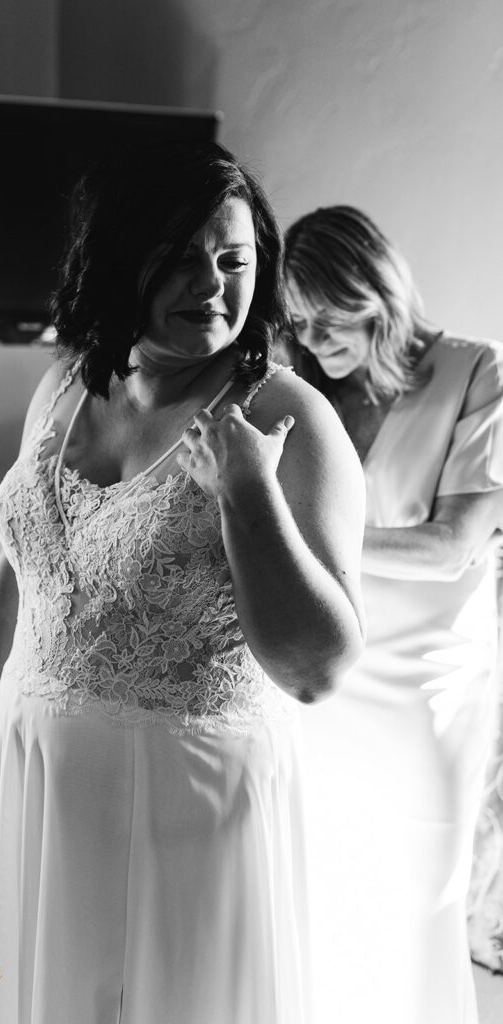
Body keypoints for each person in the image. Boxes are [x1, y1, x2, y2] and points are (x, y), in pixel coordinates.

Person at [0, 144, 366, 1024]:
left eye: (232, 261)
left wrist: (247, 494)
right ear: (117, 261)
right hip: (44, 776)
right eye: (180, 258)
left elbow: (317, 669)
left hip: (184, 801)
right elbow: (27, 555)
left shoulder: (285, 417)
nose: (212, 286)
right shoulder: (69, 382)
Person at [284, 204, 503, 1024]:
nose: (309, 340)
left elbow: (453, 545)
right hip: (325, 684)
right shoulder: (305, 392)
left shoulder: (475, 370)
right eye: (295, 323)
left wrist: (305, 532)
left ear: (371, 289)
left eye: (324, 316)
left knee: (420, 902)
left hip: (426, 693)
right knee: (330, 902)